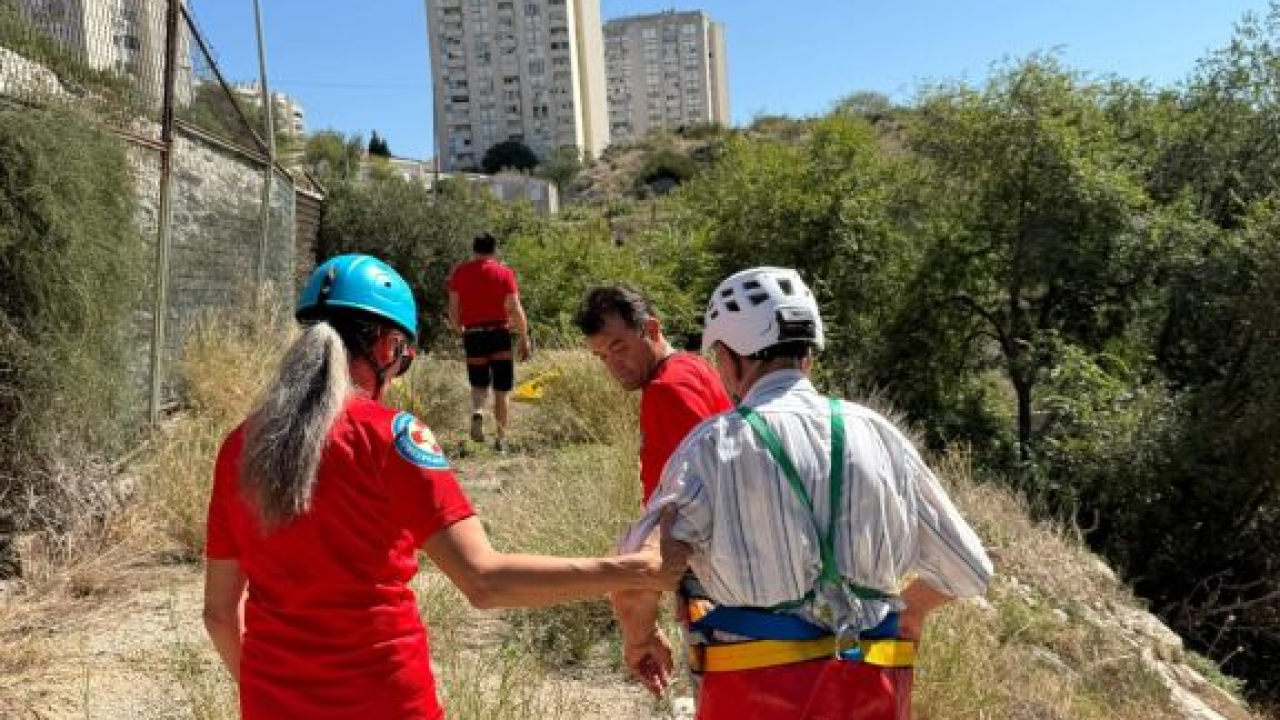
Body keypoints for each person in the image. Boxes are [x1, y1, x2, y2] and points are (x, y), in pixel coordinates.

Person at [203, 254, 683, 720]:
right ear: (389, 348)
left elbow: (220, 614)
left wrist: (268, 693)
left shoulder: (238, 447)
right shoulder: (389, 435)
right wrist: (632, 570)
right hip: (385, 701)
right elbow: (484, 580)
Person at [612, 267, 994, 720]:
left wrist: (640, 639)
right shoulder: (880, 435)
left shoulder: (712, 447)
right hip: (870, 686)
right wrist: (908, 612)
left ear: (732, 358)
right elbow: (971, 566)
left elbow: (637, 576)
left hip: (749, 689)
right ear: (807, 356)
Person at [574, 285, 732, 504]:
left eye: (619, 348)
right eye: (602, 357)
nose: (613, 366)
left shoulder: (667, 389)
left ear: (651, 330)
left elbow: (705, 487)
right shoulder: (692, 364)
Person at [446, 231, 531, 451]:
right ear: (494, 250)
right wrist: (524, 337)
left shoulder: (460, 274)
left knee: (478, 383)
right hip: (499, 333)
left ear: (474, 249)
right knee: (502, 390)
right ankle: (501, 440)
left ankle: (478, 411)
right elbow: (515, 307)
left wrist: (459, 329)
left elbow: (454, 309)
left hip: (473, 334)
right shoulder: (504, 273)